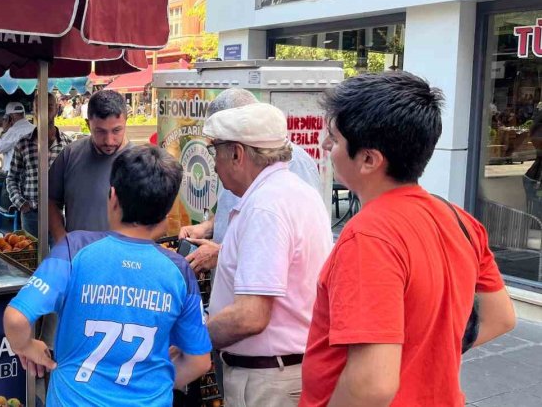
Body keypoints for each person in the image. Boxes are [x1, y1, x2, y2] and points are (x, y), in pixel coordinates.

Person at [300, 73, 516, 407]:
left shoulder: (369, 237)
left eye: (335, 138)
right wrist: (424, 354)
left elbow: (371, 386)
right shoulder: (460, 220)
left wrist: (398, 361)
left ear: (369, 159)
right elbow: (501, 317)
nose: (326, 145)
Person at [3, 145, 213, 406]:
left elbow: (16, 318)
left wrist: (27, 346)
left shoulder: (74, 248)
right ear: (166, 211)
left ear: (112, 196)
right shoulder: (180, 270)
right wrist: (151, 389)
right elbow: (200, 361)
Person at [203, 103, 332, 407]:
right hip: (283, 371)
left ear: (237, 153)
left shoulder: (265, 206)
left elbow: (251, 316)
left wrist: (193, 335)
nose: (215, 165)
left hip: (268, 380)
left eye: (215, 153)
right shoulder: (295, 192)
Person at [179, 87, 322, 273]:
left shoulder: (295, 167)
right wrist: (208, 227)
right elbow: (232, 208)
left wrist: (222, 254)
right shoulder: (236, 161)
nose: (215, 163)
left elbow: (286, 252)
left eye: (216, 146)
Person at [49, 90, 129, 241]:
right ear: (88, 124)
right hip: (77, 256)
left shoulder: (140, 162)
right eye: (100, 131)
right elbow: (51, 200)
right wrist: (62, 240)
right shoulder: (70, 155)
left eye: (117, 130)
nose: (109, 140)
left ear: (126, 121)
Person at [6, 92, 70, 238]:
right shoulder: (23, 144)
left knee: (58, 256)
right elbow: (12, 178)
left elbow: (75, 181)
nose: (44, 111)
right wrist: (21, 203)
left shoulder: (67, 144)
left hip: (59, 214)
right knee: (32, 257)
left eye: (49, 106)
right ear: (33, 109)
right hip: (31, 214)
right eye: (39, 107)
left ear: (57, 109)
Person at [0, 102, 35, 176]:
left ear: (10, 117)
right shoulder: (35, 128)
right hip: (31, 173)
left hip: (14, 175)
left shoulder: (13, 132)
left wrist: (4, 131)